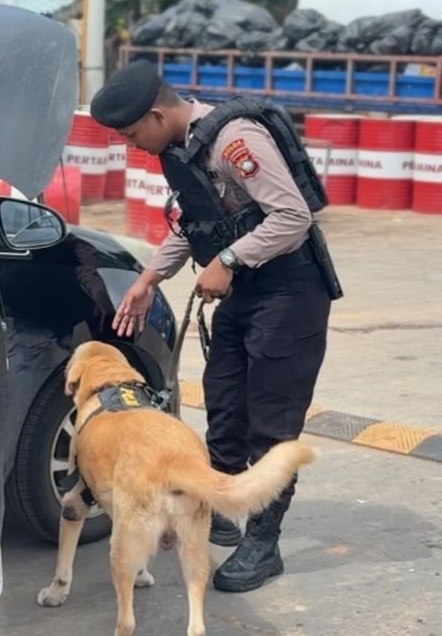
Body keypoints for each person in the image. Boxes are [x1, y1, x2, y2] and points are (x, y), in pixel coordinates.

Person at [90, 59, 340, 594]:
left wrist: (227, 259)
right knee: (224, 406)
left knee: (272, 421)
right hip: (245, 290)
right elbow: (195, 224)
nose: (134, 146)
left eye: (135, 134)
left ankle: (263, 543)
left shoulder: (234, 140)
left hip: (291, 291)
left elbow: (292, 218)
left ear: (158, 114)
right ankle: (218, 509)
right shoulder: (181, 151)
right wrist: (150, 277)